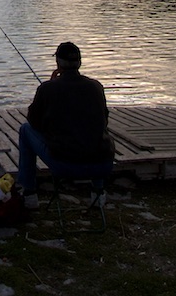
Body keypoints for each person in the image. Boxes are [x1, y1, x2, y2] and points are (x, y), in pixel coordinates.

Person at [17, 42, 113, 209]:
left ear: (58, 64)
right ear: (79, 63)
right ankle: (98, 193)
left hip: (64, 164)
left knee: (25, 130)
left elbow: (34, 121)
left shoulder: (47, 88)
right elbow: (104, 121)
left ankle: (29, 194)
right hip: (101, 165)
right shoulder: (96, 87)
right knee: (97, 135)